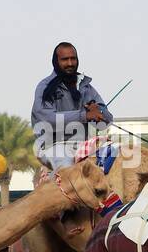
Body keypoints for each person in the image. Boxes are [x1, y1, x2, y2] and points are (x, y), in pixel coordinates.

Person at [30, 41, 113, 169]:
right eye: (65, 59)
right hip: (52, 146)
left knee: (113, 158)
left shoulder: (85, 86)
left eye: (73, 59)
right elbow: (47, 120)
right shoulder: (45, 87)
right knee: (69, 168)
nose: (70, 63)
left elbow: (105, 123)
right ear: (56, 61)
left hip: (82, 146)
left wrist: (99, 113)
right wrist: (84, 116)